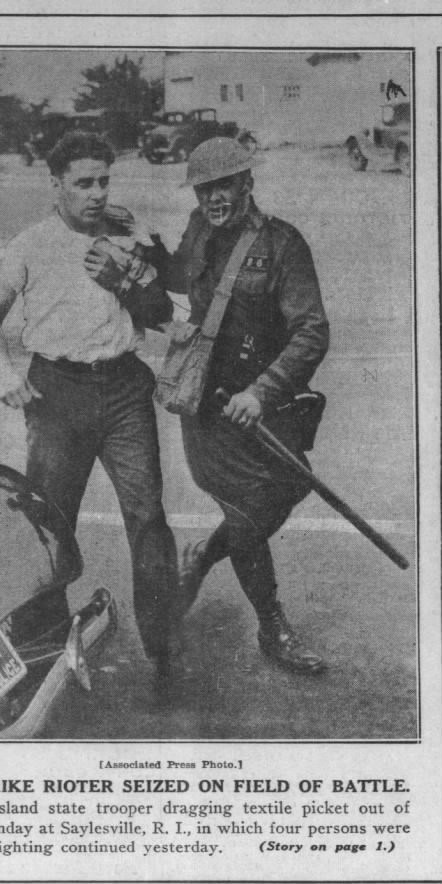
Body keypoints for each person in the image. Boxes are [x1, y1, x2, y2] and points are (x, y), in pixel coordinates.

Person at [0, 131, 179, 680]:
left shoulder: (127, 235)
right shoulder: (30, 244)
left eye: (103, 181)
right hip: (56, 394)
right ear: (57, 185)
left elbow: (163, 309)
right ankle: (46, 652)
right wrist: (4, 372)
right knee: (49, 525)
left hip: (123, 392)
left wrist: (144, 248)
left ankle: (161, 653)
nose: (95, 193)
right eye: (83, 182)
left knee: (149, 518)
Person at [159, 137, 330, 674]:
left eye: (224, 185)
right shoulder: (197, 229)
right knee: (247, 511)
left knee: (289, 486)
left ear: (247, 183)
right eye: (204, 188)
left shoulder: (282, 244)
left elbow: (311, 332)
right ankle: (272, 624)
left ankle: (204, 556)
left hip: (261, 407)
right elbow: (175, 277)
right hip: (207, 407)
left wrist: (261, 391)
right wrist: (141, 249)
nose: (213, 198)